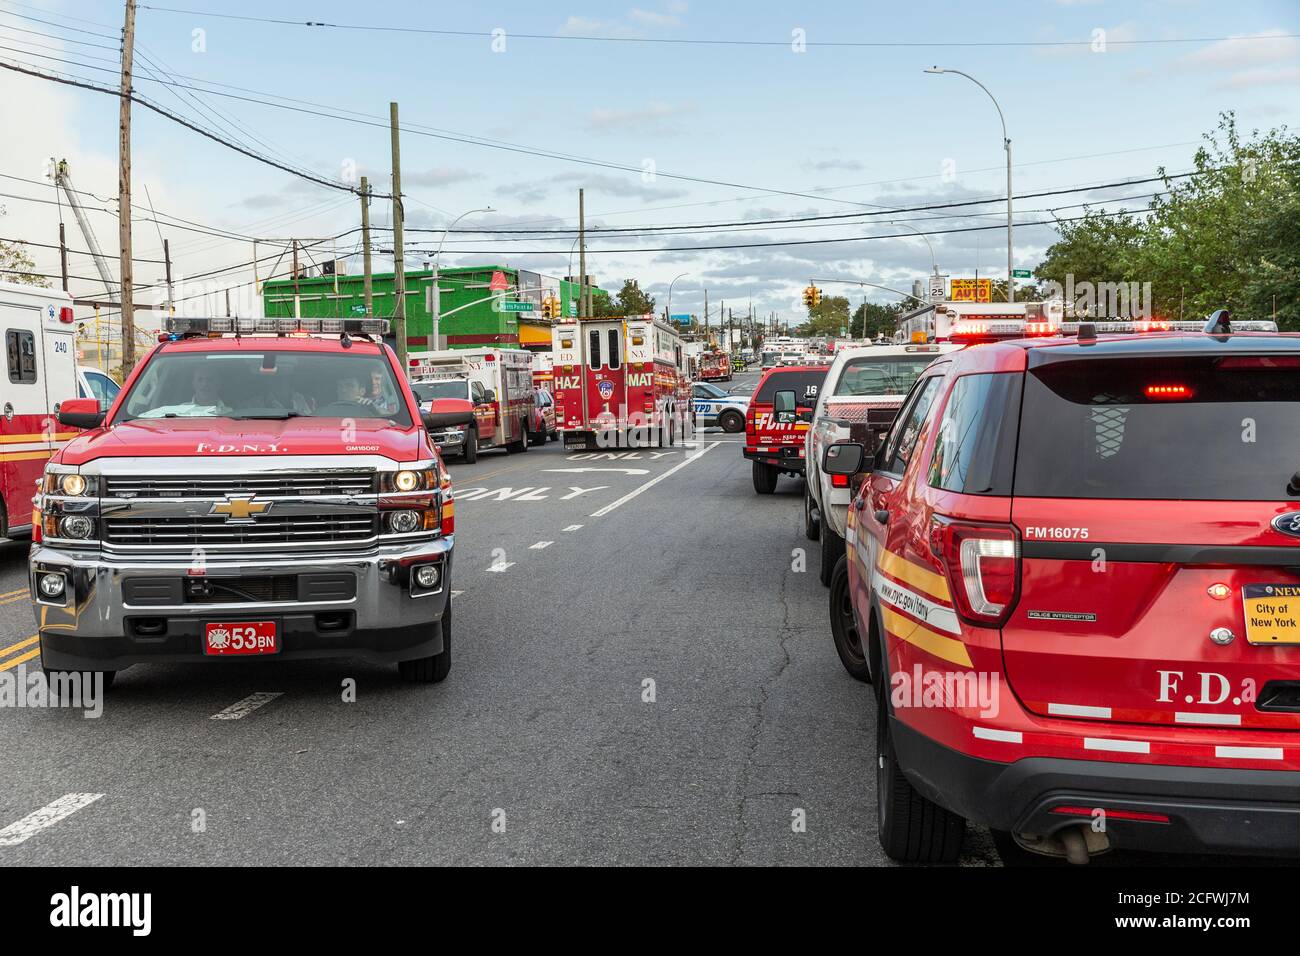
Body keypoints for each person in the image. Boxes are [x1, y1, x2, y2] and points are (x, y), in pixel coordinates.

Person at [140, 367, 233, 418]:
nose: (205, 384)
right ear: (193, 384)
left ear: (219, 384)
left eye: (210, 380)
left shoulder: (231, 413)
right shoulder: (178, 413)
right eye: (200, 380)